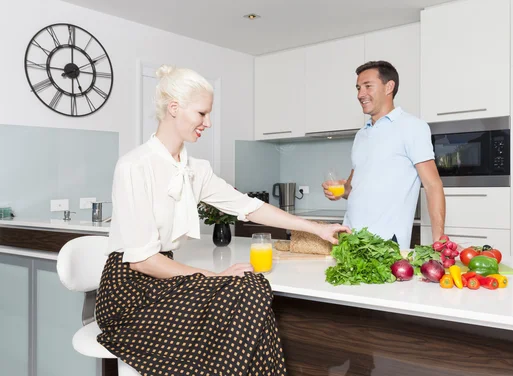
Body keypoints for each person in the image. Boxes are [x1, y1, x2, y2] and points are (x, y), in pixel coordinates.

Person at [95, 64, 350, 376]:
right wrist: (211, 277)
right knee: (239, 289)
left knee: (253, 284)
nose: (209, 122)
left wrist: (318, 228)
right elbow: (142, 262)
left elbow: (249, 207)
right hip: (130, 292)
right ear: (174, 108)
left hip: (168, 280)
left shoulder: (195, 169)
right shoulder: (134, 166)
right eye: (202, 113)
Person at [322, 60, 445, 249]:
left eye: (367, 86)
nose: (360, 94)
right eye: (358, 88)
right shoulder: (361, 134)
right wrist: (341, 190)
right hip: (350, 237)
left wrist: (439, 241)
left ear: (389, 87)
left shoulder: (412, 127)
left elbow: (433, 185)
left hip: (386, 242)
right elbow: (352, 187)